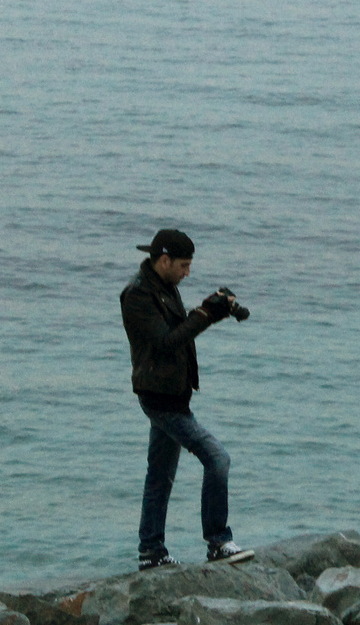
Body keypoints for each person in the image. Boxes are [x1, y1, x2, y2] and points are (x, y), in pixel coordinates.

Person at [119, 228, 253, 570]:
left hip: (174, 395)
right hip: (159, 399)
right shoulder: (136, 295)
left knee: (159, 474)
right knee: (217, 459)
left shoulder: (164, 287)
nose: (187, 272)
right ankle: (218, 542)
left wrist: (216, 310)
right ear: (164, 260)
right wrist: (206, 313)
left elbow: (180, 330)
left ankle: (151, 551)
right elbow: (166, 342)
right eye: (183, 265)